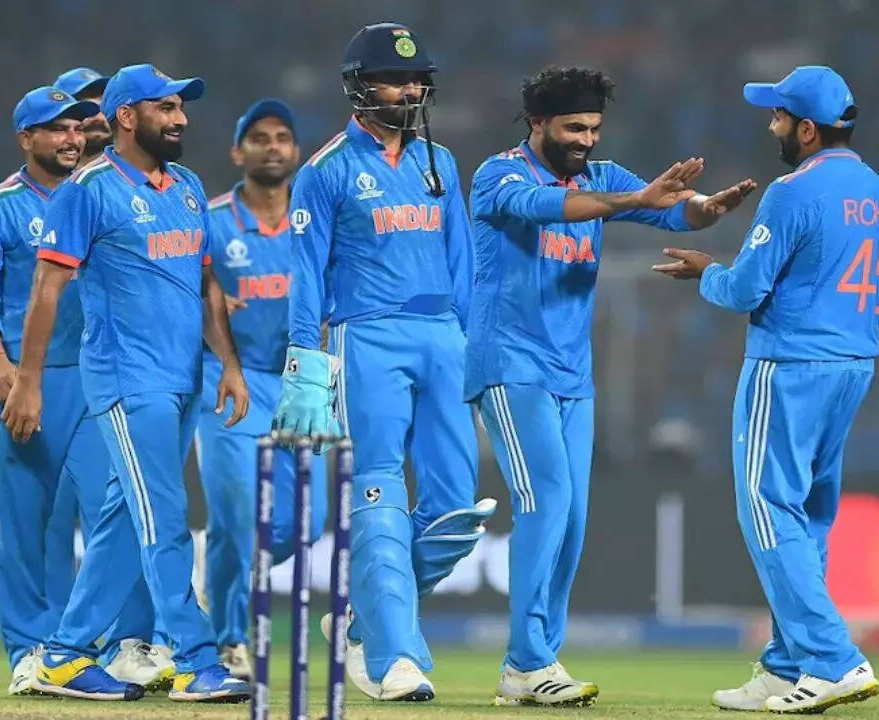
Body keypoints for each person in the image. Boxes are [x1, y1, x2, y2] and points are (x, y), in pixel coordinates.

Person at [467, 66, 757, 706]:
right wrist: (636, 201)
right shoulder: (500, 175)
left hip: (572, 374)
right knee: (546, 499)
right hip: (510, 364)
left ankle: (537, 661)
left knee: (571, 520)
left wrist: (705, 210)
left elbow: (673, 214)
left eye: (595, 128)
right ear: (538, 123)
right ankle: (526, 661)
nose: (587, 140)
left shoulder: (601, 176)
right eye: (574, 128)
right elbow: (547, 208)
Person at [653, 65, 879, 713]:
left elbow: (744, 290)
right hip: (852, 364)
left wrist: (707, 271)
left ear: (808, 129)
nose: (772, 126)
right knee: (808, 514)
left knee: (767, 507)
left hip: (790, 364)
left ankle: (832, 659)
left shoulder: (794, 192)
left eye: (779, 116)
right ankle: (787, 663)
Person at [0, 63, 252, 703]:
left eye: (182, 107)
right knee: (165, 518)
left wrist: (227, 364)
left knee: (120, 522)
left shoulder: (187, 185)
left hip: (183, 379)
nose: (181, 118)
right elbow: (47, 288)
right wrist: (28, 379)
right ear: (126, 117)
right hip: (126, 379)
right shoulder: (87, 189)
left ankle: (64, 655)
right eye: (166, 107)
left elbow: (205, 283)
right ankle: (195, 659)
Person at [274, 22, 494, 702]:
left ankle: (360, 619)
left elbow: (463, 262)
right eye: (394, 80)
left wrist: (474, 347)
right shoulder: (326, 170)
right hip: (365, 337)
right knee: (377, 490)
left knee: (458, 514)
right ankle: (394, 657)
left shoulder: (440, 162)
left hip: (443, 336)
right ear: (359, 87)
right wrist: (304, 358)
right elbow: (305, 273)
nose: (409, 90)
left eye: (416, 80)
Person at [0, 85, 163, 695]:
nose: (71, 139)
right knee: (24, 521)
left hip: (96, 374)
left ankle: (111, 645)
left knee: (116, 513)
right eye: (56, 129)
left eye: (77, 128)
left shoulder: (99, 194)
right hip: (27, 377)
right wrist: (0, 364)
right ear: (27, 138)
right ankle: (29, 652)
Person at [193, 98, 326, 679]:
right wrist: (207, 299)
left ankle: (218, 569)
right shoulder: (212, 219)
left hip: (301, 387)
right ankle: (228, 639)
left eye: (283, 138)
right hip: (230, 381)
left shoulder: (315, 217)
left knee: (306, 524)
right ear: (237, 152)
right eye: (260, 138)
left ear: (296, 151)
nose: (273, 147)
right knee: (240, 515)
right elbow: (175, 283)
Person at [54, 67, 112, 163]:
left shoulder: (134, 168)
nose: (98, 118)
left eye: (104, 106)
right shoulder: (39, 172)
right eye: (84, 108)